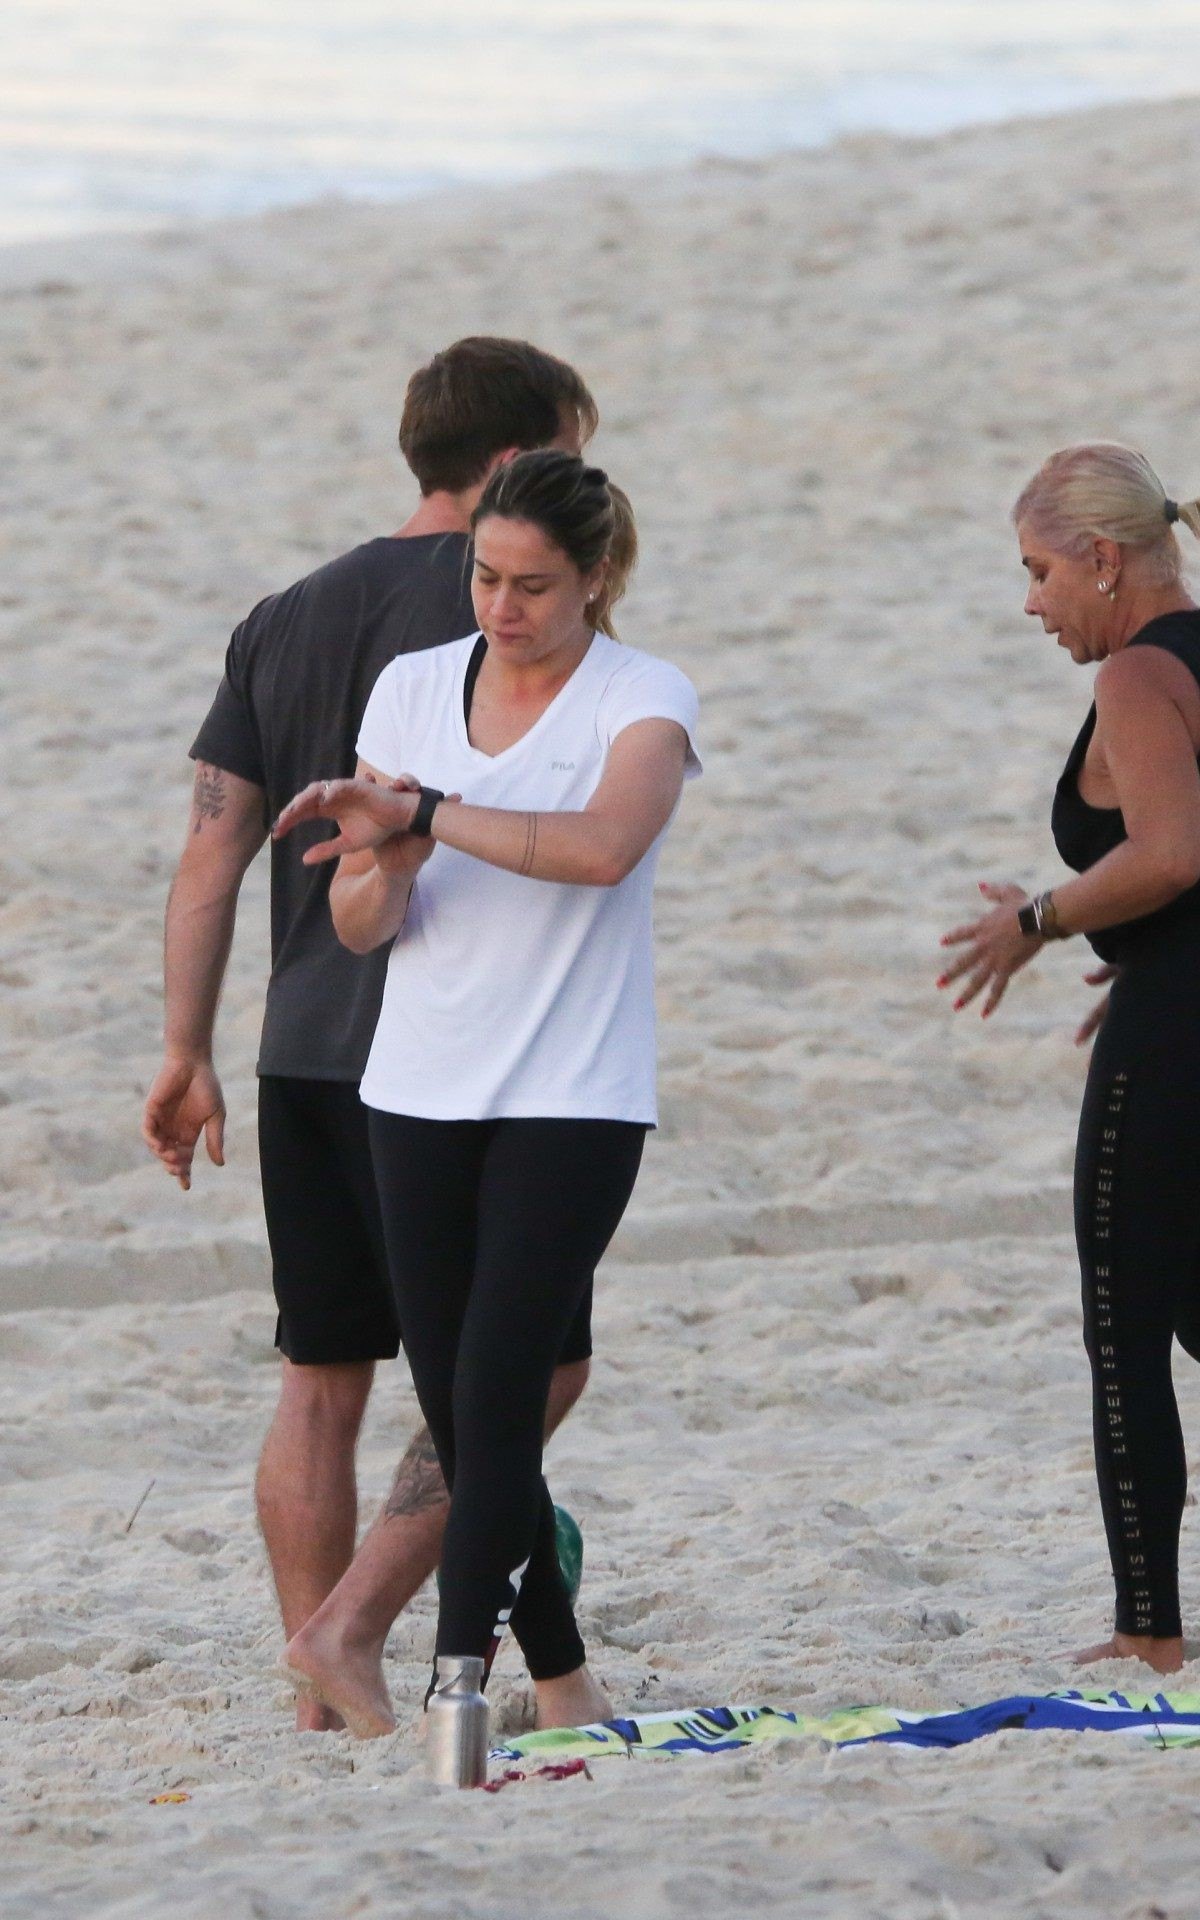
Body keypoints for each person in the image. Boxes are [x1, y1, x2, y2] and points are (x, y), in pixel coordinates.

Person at [141, 340, 600, 1731]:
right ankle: (348, 1631)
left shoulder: (284, 614)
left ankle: (321, 1685)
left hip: (300, 1050)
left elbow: (211, 851)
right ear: (524, 461)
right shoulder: (512, 613)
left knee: (320, 1375)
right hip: (450, 1052)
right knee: (536, 1361)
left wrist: (185, 1049)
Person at [273, 450, 701, 1735]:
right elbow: (357, 924)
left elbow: (603, 848)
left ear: (597, 578)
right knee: (463, 1405)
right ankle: (564, 1682)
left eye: (531, 586)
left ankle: (461, 1697)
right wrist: (383, 863)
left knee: (505, 1381)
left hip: (575, 1092)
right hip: (415, 1086)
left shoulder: (644, 696)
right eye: (484, 576)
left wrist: (427, 809)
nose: (500, 607)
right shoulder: (411, 689)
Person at [938, 442, 1200, 1674]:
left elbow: (1169, 850)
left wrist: (1041, 919)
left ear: (1105, 557)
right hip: (1171, 997)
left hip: (1177, 1040)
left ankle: (1148, 1631)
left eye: (1040, 571)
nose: (1032, 601)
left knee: (1126, 1326)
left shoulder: (1143, 675)